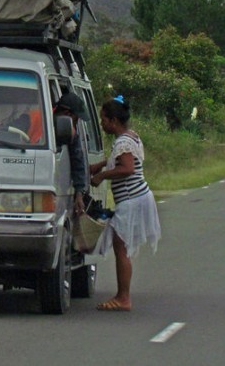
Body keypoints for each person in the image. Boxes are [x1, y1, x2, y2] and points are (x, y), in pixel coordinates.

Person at [90, 95, 161, 311]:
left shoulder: (122, 141)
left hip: (131, 198)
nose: (101, 124)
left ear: (113, 120)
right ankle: (122, 295)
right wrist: (100, 165)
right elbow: (120, 159)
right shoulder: (130, 136)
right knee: (122, 246)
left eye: (103, 119)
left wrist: (102, 176)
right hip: (137, 197)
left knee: (121, 248)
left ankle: (123, 297)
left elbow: (127, 168)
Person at [54, 92, 89, 216]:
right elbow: (77, 161)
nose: (76, 122)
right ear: (68, 114)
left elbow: (77, 162)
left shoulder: (31, 115)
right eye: (76, 118)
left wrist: (79, 192)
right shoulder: (35, 116)